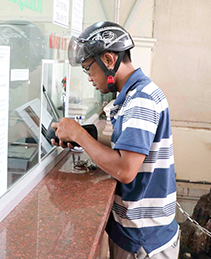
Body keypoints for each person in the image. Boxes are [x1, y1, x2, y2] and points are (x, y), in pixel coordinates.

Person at [53, 21, 179, 259]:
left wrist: (79, 134)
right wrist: (85, 134)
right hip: (141, 232)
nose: (89, 77)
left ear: (109, 60)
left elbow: (125, 169)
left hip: (144, 240)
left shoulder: (140, 99)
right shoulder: (135, 93)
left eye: (89, 68)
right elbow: (131, 147)